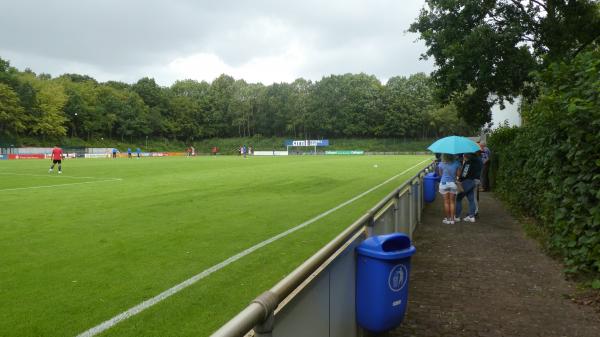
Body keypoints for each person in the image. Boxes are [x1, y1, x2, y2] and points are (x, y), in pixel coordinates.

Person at [455, 153, 482, 222]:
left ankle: (457, 216)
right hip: (474, 181)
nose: (463, 156)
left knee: (458, 198)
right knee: (471, 199)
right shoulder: (479, 160)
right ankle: (471, 217)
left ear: (467, 155)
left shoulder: (468, 162)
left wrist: (459, 180)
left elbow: (464, 174)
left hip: (467, 182)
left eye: (464, 155)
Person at [437, 153, 461, 224]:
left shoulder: (441, 164)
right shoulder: (457, 163)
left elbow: (441, 174)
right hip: (453, 183)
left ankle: (448, 219)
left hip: (444, 183)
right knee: (452, 202)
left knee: (446, 202)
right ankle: (452, 220)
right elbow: (458, 175)